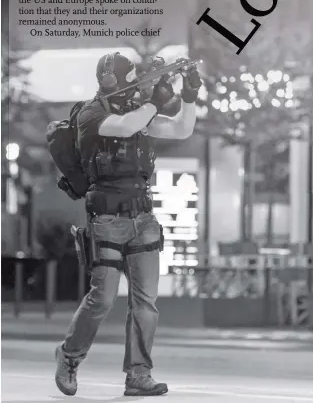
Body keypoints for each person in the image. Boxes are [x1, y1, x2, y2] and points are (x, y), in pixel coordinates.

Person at [54, 52, 202, 397]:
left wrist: (190, 96)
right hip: (106, 220)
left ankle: (139, 375)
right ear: (111, 79)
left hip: (144, 220)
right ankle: (68, 356)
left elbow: (182, 128)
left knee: (145, 303)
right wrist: (153, 99)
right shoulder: (92, 114)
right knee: (102, 299)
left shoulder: (137, 111)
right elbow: (124, 127)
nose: (138, 81)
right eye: (132, 76)